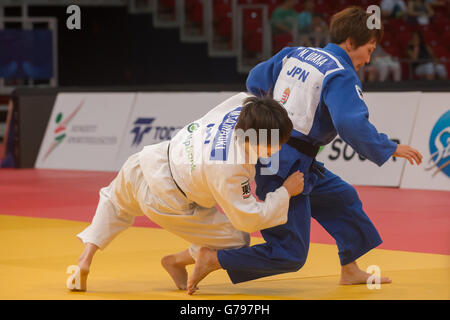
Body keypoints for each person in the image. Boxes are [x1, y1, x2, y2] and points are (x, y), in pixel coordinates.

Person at [187, 7, 423, 295]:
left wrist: (273, 121)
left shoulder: (294, 53)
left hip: (286, 155)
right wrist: (390, 147)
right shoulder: (340, 73)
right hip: (288, 164)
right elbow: (350, 123)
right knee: (290, 252)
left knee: (342, 198)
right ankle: (214, 258)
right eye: (369, 49)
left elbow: (255, 80)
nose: (368, 59)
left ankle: (350, 269)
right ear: (350, 43)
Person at [70, 93, 304, 292]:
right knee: (236, 239)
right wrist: (285, 192)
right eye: (276, 143)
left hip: (147, 160)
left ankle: (85, 258)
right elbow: (248, 218)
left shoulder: (244, 105)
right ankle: (176, 260)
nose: (280, 148)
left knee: (113, 200)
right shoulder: (229, 167)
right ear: (258, 137)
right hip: (165, 199)